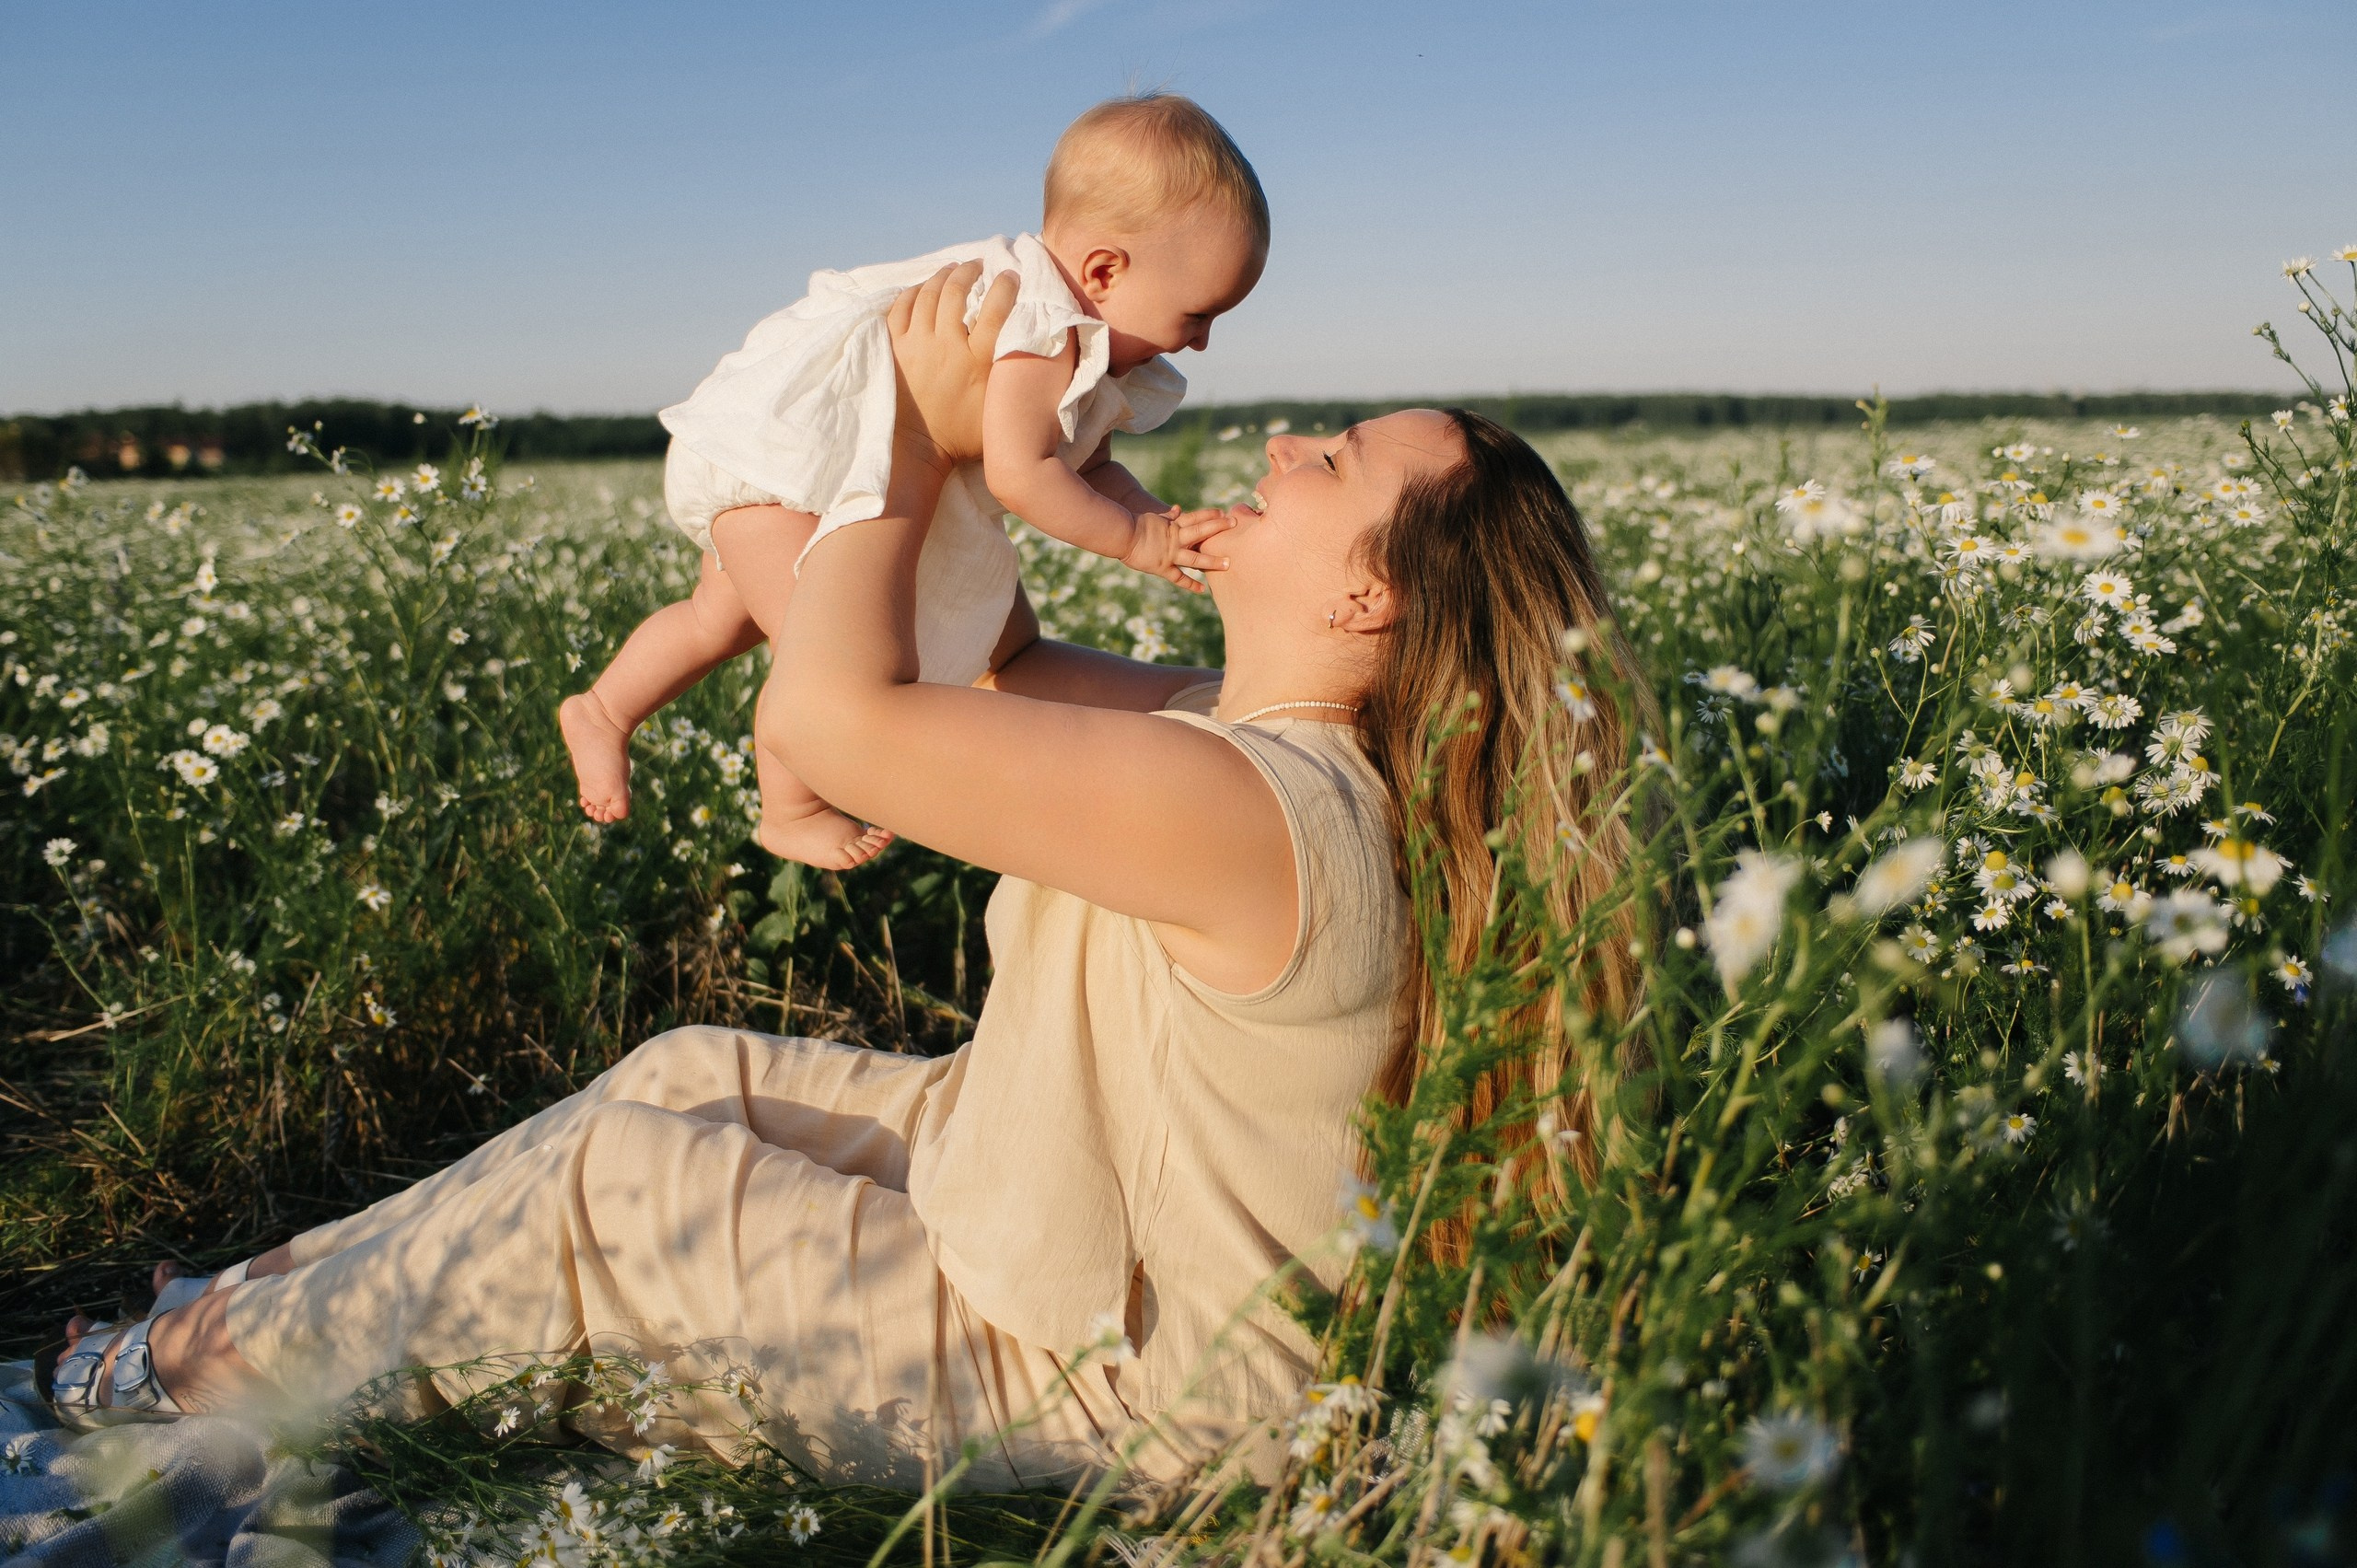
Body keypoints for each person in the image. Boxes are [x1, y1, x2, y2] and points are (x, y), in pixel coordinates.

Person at [45, 263, 1652, 1493]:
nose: (1287, 440)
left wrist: (888, 423)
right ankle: (272, 1293)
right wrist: (981, 444)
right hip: (1059, 1207)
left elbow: (832, 716)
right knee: (686, 1070)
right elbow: (991, 664)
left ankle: (182, 1373)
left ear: (1372, 592)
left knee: (618, 1176)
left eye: (1335, 461)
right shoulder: (1228, 733)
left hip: (1120, 1382)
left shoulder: (1242, 795)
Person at [560, 92, 1266, 869]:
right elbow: (1023, 473)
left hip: (807, 467)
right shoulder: (1039, 328)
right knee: (815, 648)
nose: (1200, 342)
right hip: (794, 472)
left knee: (716, 619)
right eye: (1199, 314)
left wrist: (1154, 518)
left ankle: (602, 708)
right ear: (1104, 270)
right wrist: (1133, 540)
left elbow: (1088, 465)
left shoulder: (1081, 336)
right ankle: (791, 807)